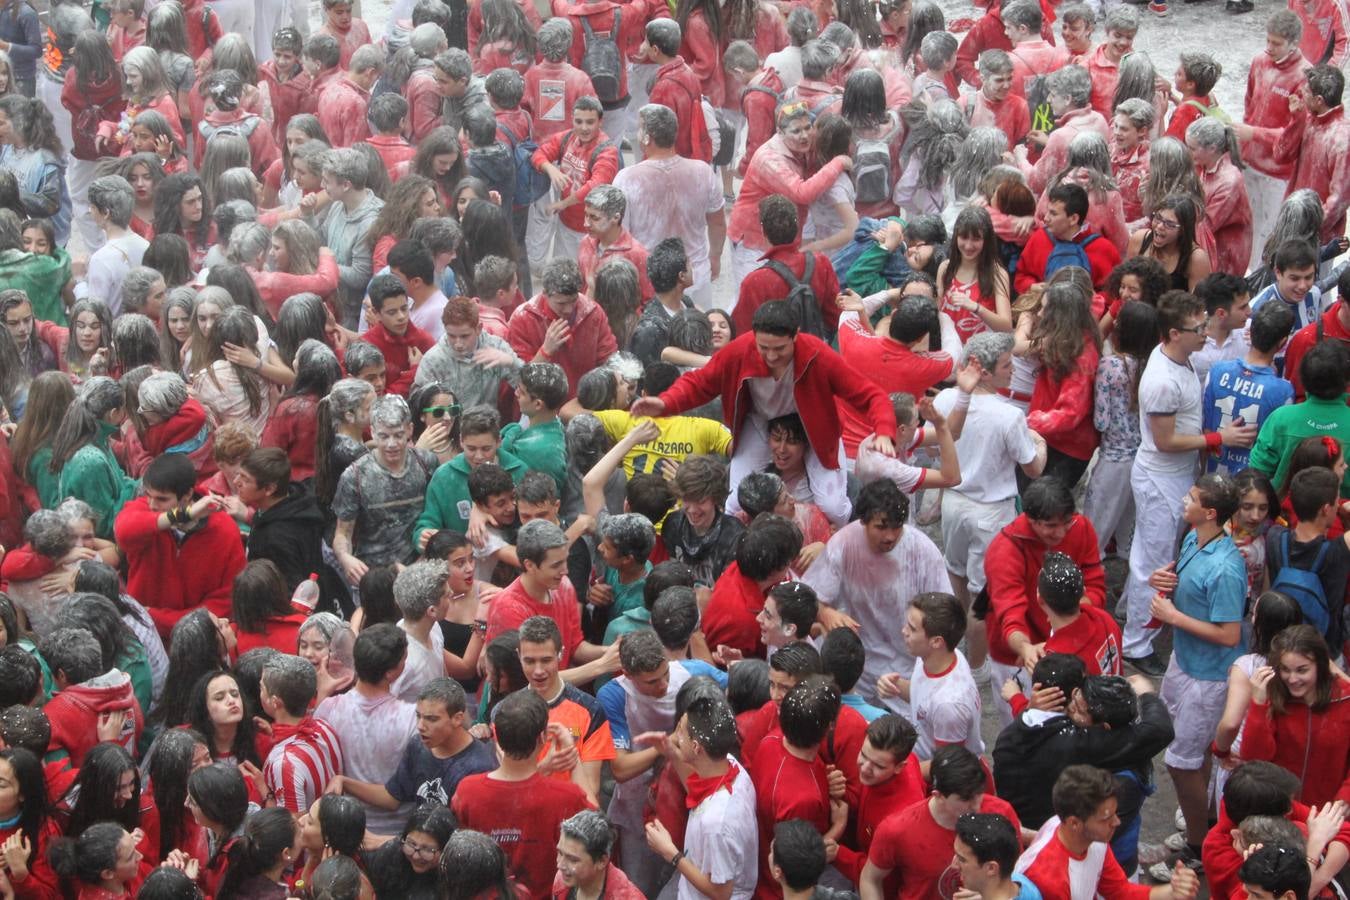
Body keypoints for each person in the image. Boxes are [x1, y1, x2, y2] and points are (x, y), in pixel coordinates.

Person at [633, 301, 896, 526]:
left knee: (834, 508)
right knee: (735, 504)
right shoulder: (738, 351)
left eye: (779, 349)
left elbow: (871, 394)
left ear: (795, 336)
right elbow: (700, 383)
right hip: (760, 424)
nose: (771, 356)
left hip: (813, 429)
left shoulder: (818, 354)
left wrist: (884, 431)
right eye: (763, 348)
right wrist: (665, 403)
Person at [1120, 291, 1257, 675]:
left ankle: (1140, 617)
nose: (1206, 334)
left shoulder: (1180, 361)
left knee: (1154, 555)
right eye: (1198, 329)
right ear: (1174, 333)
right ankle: (1135, 642)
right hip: (1160, 477)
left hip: (1174, 475)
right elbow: (1165, 441)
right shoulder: (1163, 380)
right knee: (1155, 561)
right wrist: (1218, 439)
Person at [1145, 473, 1246, 871]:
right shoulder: (1193, 538)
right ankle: (1203, 820)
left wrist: (1174, 617)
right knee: (1191, 752)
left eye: (1191, 498)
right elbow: (1180, 581)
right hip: (1184, 663)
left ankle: (1198, 846)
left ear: (1210, 512)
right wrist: (1162, 582)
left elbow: (1229, 635)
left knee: (1180, 760)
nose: (1185, 502)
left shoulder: (1226, 569)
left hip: (1209, 677)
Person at [801, 479, 950, 715]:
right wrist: (826, 613)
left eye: (897, 527)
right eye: (881, 527)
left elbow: (944, 614)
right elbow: (808, 596)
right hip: (859, 667)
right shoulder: (844, 543)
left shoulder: (923, 551)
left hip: (907, 668)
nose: (890, 536)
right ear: (864, 521)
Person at [452, 689, 592, 899]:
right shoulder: (566, 797)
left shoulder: (467, 790)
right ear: (543, 737)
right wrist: (572, 754)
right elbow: (596, 827)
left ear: (496, 734)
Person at [985, 477, 1107, 716]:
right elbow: (1010, 612)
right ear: (1031, 519)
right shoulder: (1004, 550)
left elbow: (1095, 581)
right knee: (1022, 724)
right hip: (1018, 657)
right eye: (1051, 526)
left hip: (1069, 648)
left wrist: (1070, 612)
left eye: (1066, 522)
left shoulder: (1081, 527)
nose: (1061, 532)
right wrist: (1026, 649)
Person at [862, 745, 1022, 900]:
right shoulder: (897, 829)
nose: (977, 805)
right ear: (938, 795)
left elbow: (1019, 872)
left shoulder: (1001, 813)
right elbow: (870, 879)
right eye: (966, 799)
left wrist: (992, 895)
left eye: (979, 793)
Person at [114, 452, 246, 639]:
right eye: (148, 495)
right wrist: (183, 515)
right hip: (142, 633)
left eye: (161, 499)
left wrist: (156, 618)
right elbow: (124, 532)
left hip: (193, 639)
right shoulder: (143, 511)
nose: (152, 505)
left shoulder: (225, 531)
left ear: (187, 495)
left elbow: (223, 602)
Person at [1015, 765, 1200, 899]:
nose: (1117, 822)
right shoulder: (1050, 880)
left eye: (1114, 814)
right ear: (1074, 824)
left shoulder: (1089, 838)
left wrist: (1172, 891)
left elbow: (1120, 891)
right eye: (1106, 818)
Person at [613, 104, 725, 307]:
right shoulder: (702, 172)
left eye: (639, 129)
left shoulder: (627, 179)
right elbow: (717, 222)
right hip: (695, 276)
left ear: (647, 137)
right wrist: (715, 257)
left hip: (650, 282)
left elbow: (621, 237)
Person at [313, 623, 415, 834]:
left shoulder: (329, 709)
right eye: (404, 659)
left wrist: (322, 693)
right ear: (390, 672)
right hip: (396, 832)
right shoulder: (410, 719)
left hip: (346, 828)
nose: (407, 663)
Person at [331, 394, 438, 589]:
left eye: (398, 435)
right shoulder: (354, 475)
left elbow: (438, 519)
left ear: (410, 431)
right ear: (372, 432)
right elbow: (343, 533)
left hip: (420, 569)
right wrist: (346, 558)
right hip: (374, 576)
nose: (391, 444)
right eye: (383, 436)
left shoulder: (426, 464)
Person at [1249, 341, 1350, 497]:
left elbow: (1256, 473)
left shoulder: (1281, 418)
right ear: (1347, 381)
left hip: (1283, 516)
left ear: (1303, 378)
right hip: (1340, 516)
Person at [1272, 65, 1350, 248]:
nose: (1300, 92)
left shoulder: (1342, 139)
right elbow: (1280, 155)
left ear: (1319, 100)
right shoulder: (1307, 119)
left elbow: (1339, 199)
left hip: (1317, 238)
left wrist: (1307, 231)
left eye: (1306, 90)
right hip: (1292, 223)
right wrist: (1296, 121)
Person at [259, 653, 343, 815]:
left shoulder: (284, 763)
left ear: (275, 702)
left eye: (262, 688)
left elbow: (292, 828)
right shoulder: (323, 726)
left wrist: (264, 792)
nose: (260, 692)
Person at [320, 146, 385, 328]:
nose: (322, 186)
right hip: (334, 305)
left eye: (327, 181)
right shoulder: (337, 206)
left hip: (354, 316)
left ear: (346, 185)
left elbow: (360, 275)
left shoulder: (371, 222)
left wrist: (324, 264)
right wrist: (308, 215)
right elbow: (322, 241)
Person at [1014, 183, 1122, 292]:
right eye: (1047, 211)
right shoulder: (1039, 238)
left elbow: (1115, 292)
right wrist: (1032, 286)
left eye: (1053, 214)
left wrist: (1095, 300)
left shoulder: (1104, 249)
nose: (1046, 218)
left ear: (1073, 219)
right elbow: (1021, 276)